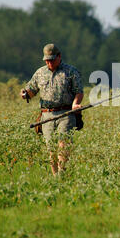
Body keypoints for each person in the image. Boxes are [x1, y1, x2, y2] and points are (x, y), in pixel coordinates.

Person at [20, 43, 84, 176]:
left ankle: (62, 175)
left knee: (63, 144)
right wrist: (25, 94)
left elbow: (79, 92)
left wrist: (75, 104)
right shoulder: (40, 73)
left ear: (59, 57)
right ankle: (55, 178)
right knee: (51, 148)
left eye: (52, 60)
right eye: (47, 60)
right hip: (47, 115)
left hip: (66, 113)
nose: (49, 63)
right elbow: (31, 91)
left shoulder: (71, 71)